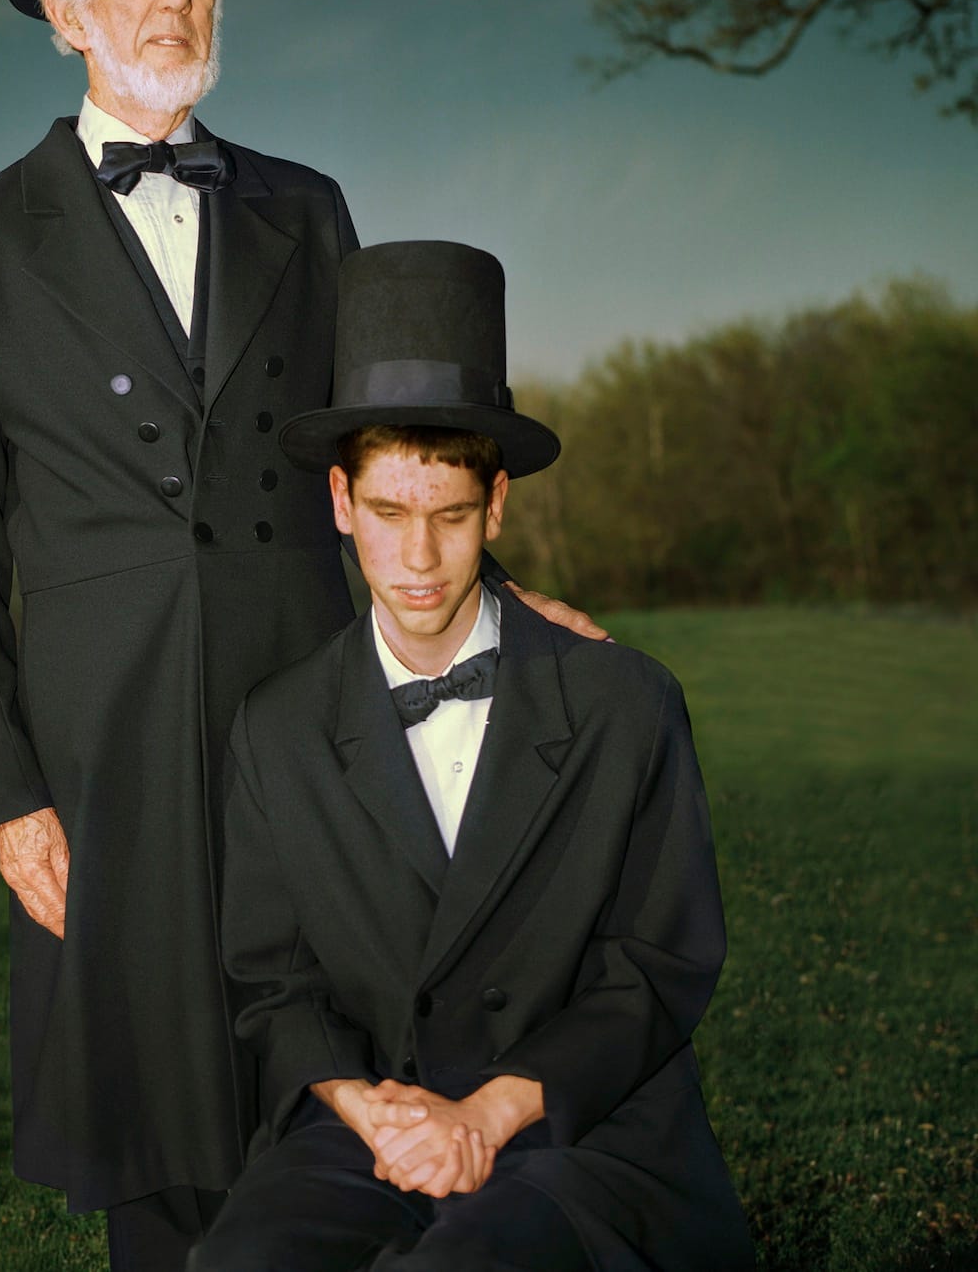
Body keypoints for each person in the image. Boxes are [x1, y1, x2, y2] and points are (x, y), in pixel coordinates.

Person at [0, 0, 600, 1272]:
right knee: (150, 1109)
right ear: (68, 10)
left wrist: (499, 598)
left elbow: (384, 464)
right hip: (106, 748)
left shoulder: (308, 206)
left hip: (305, 707)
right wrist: (5, 789)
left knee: (336, 1073)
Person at [195, 241, 754, 1271]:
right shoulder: (273, 729)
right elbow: (273, 983)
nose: (417, 560)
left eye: (451, 517)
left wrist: (484, 1118)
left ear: (495, 505)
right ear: (336, 501)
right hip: (372, 1125)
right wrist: (379, 1115)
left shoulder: (624, 702)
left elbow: (658, 964)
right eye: (388, 514)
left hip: (578, 1131)